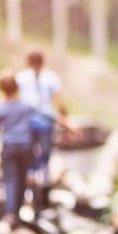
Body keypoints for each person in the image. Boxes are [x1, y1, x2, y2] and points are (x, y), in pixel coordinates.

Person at [0, 69, 36, 227]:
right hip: (26, 146)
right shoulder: (26, 106)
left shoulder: (0, 108)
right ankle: (17, 213)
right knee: (22, 179)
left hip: (9, 147)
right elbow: (40, 122)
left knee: (10, 180)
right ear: (17, 87)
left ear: (1, 89)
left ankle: (11, 214)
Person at [15, 51, 71, 187]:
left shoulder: (20, 77)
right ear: (43, 62)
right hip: (45, 120)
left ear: (27, 62)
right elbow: (59, 102)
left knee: (29, 149)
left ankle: (30, 174)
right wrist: (64, 119)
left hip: (26, 121)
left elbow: (14, 99)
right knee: (45, 150)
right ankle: (43, 173)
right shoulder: (51, 77)